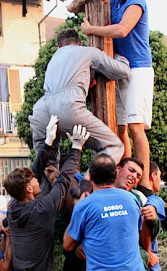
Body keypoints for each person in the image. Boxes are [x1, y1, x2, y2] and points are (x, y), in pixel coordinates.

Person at [67, 0, 154, 189]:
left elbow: (122, 30)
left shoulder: (138, 2)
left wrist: (92, 30)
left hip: (138, 69)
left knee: (136, 127)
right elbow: (70, 8)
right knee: (121, 128)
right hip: (118, 69)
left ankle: (143, 183)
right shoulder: (112, 1)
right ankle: (121, 177)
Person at [3, 122, 88, 271]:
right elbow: (64, 179)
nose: (36, 179)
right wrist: (76, 148)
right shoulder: (42, 209)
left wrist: (48, 144)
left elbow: (34, 172)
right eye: (32, 181)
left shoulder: (14, 206)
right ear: (29, 189)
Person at [63, 154, 148, 271]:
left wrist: (76, 210)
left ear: (90, 177)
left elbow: (68, 244)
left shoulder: (85, 205)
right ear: (115, 173)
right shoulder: (132, 200)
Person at [28, 29, 130, 168]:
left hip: (41, 109)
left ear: (59, 47)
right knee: (113, 146)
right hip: (68, 105)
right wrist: (119, 57)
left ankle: (47, 189)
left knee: (47, 164)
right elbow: (122, 71)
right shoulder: (88, 51)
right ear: (80, 43)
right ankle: (89, 183)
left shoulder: (54, 58)